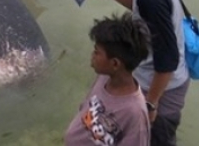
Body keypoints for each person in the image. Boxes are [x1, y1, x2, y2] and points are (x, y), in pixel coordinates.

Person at [88, 0, 190, 146]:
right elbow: (151, 15)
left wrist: (151, 104)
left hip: (161, 86)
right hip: (167, 77)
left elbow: (168, 60)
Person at [65, 13, 152, 146]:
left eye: (96, 52)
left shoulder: (134, 114)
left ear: (115, 64)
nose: (92, 55)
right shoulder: (104, 78)